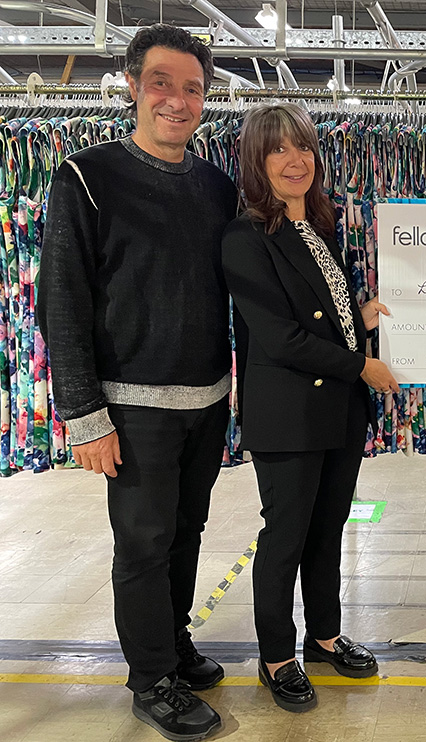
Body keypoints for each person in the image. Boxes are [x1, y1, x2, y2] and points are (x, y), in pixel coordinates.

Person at [37, 23, 236, 741]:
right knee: (144, 543)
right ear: (131, 85)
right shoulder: (86, 175)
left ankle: (174, 644)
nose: (177, 101)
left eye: (191, 88)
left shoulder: (216, 185)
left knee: (187, 532)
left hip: (208, 399)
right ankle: (152, 678)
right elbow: (61, 297)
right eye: (162, 83)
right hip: (132, 405)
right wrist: (84, 414)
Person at [221, 103, 400, 712]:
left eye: (303, 148)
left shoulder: (320, 226)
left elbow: (325, 311)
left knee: (327, 529)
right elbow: (280, 337)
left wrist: (361, 315)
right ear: (256, 161)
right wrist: (360, 365)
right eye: (278, 150)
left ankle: (324, 635)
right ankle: (277, 655)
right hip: (289, 414)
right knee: (287, 535)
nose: (295, 161)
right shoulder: (245, 237)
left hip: (339, 412)